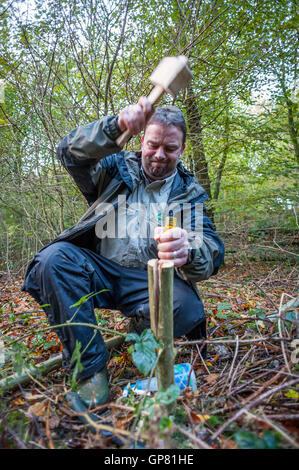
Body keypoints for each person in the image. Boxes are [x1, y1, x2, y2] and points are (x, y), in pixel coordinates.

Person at [22, 97, 224, 408]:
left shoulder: (189, 193)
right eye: (153, 144)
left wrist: (189, 248)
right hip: (99, 269)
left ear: (182, 150)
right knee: (54, 259)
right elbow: (69, 153)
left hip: (148, 281)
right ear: (142, 140)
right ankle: (90, 369)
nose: (159, 155)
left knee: (186, 307)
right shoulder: (114, 168)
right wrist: (114, 126)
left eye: (170, 149)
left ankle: (141, 327)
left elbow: (212, 250)